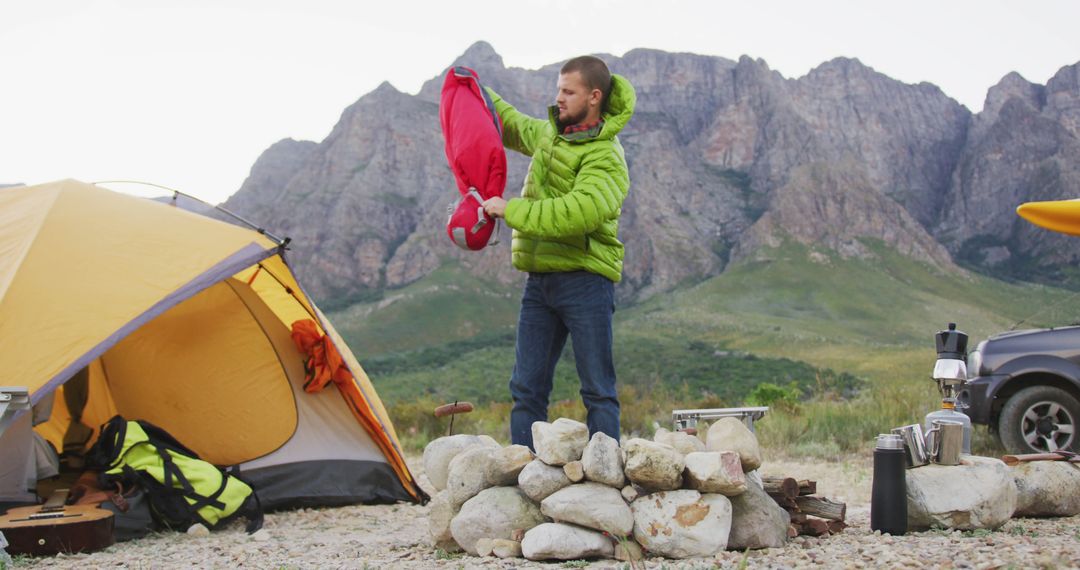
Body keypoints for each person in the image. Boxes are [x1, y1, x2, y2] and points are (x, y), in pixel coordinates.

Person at [481, 56, 636, 450]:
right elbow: (513, 125)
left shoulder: (607, 156)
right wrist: (474, 91)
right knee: (526, 388)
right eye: (558, 90)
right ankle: (522, 477)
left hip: (586, 281)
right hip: (540, 282)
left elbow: (575, 214)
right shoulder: (552, 134)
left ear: (594, 97)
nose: (559, 99)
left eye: (569, 92)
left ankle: (604, 485)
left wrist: (509, 209)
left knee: (598, 389)